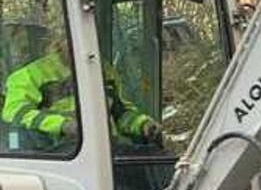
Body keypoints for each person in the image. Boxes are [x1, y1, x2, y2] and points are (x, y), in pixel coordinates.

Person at [3, 36, 161, 147]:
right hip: (57, 154)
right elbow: (14, 112)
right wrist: (63, 125)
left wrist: (143, 124)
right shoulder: (29, 75)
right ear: (59, 40)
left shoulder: (104, 71)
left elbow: (119, 113)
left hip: (106, 151)